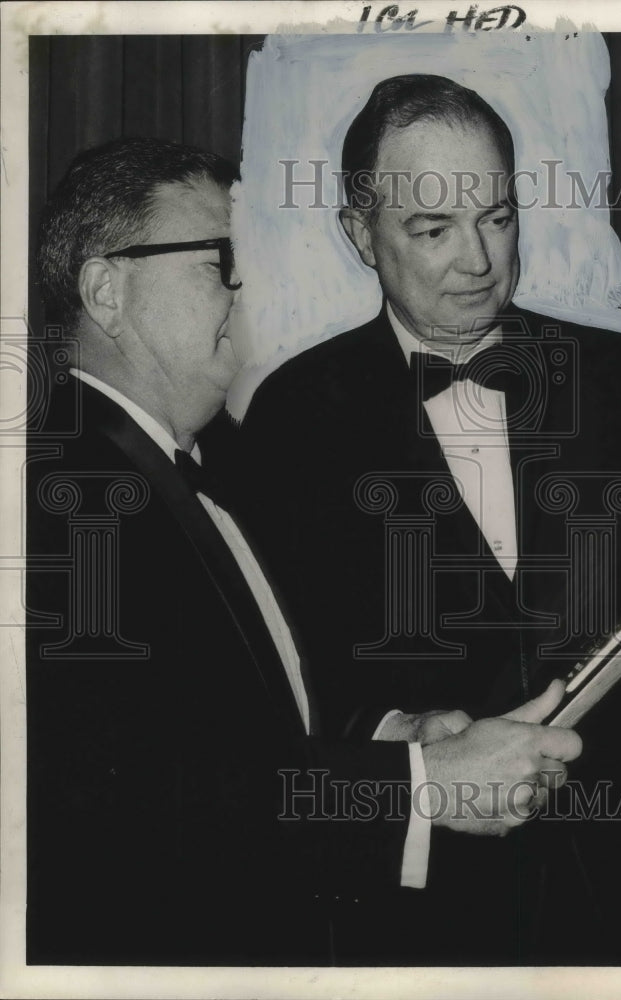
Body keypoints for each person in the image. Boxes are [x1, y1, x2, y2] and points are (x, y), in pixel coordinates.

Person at [25, 136, 583, 967]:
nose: (244, 290)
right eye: (219, 261)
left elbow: (237, 737)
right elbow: (146, 807)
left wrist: (397, 737)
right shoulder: (58, 500)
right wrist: (427, 787)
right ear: (107, 289)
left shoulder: (198, 469)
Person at [230, 75, 621, 963]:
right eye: (432, 230)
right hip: (438, 918)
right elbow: (284, 688)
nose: (477, 260)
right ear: (360, 235)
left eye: (498, 217)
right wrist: (401, 736)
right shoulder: (290, 418)